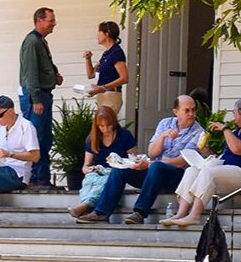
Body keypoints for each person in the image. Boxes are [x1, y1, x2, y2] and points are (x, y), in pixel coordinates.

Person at [76, 94, 205, 225]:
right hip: (154, 174)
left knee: (157, 166)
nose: (191, 114)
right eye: (187, 110)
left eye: (193, 110)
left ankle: (140, 212)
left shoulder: (198, 132)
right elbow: (152, 152)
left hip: (178, 178)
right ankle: (101, 212)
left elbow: (180, 162)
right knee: (120, 169)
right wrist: (162, 137)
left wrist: (149, 164)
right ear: (176, 112)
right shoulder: (165, 123)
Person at [161, 97, 241, 227]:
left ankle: (194, 215)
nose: (233, 115)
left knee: (208, 172)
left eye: (234, 112)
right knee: (192, 170)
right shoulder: (237, 131)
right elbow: (223, 156)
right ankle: (181, 213)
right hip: (227, 170)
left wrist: (225, 129)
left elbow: (239, 149)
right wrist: (206, 151)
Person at [19, 7, 63, 187]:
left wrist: (54, 75)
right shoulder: (31, 42)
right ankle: (35, 177)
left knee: (45, 136)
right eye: (51, 20)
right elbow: (30, 73)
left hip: (44, 94)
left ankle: (43, 176)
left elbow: (44, 65)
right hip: (35, 97)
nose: (54, 24)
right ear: (39, 20)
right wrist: (36, 99)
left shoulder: (41, 41)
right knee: (35, 136)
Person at [68, 105, 137, 218]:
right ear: (97, 125)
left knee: (105, 181)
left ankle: (85, 206)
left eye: (109, 125)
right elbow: (85, 166)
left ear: (114, 123)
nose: (105, 129)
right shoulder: (92, 139)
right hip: (97, 172)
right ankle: (87, 206)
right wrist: (89, 170)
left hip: (117, 172)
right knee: (89, 181)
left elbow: (134, 158)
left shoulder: (124, 135)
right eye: (101, 126)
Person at [83, 21, 129, 114]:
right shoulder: (106, 54)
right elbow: (91, 74)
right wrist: (88, 59)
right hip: (103, 96)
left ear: (107, 34)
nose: (97, 35)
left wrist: (103, 87)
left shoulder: (116, 52)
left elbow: (124, 78)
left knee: (106, 126)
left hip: (111, 96)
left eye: (99, 32)